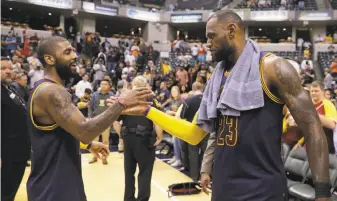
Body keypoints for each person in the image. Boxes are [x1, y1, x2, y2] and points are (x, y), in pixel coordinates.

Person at [111, 10, 332, 201]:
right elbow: (194, 134)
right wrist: (149, 111)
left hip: (262, 190)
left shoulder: (273, 68)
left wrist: (322, 193)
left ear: (232, 31)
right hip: (224, 189)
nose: (207, 44)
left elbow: (313, 129)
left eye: (211, 37)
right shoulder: (217, 79)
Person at [27, 36, 153, 201]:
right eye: (67, 52)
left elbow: (60, 132)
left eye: (73, 50)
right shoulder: (51, 91)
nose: (75, 56)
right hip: (54, 189)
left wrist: (88, 144)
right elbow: (84, 130)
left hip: (55, 185)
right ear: (49, 59)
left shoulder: (47, 89)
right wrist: (121, 103)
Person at [113, 76, 163, 201]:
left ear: (133, 85)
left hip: (128, 138)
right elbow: (158, 119)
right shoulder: (150, 98)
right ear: (145, 85)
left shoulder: (125, 99)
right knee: (145, 172)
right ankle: (142, 199)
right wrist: (160, 136)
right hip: (144, 139)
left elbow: (114, 121)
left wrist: (122, 135)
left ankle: (128, 198)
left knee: (129, 172)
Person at [1, 57, 30, 201]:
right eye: (2, 69)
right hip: (5, 155)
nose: (8, 71)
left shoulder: (11, 88)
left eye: (10, 68)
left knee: (10, 191)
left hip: (18, 152)